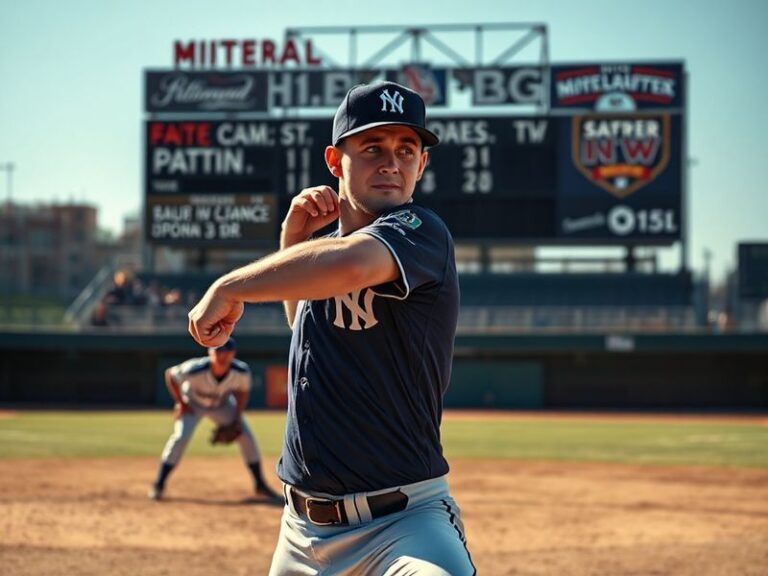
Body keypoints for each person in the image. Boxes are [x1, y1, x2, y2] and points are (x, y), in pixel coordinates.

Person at [188, 81, 475, 575]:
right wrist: (292, 237)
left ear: (421, 166)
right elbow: (303, 324)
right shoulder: (318, 256)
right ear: (335, 161)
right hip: (301, 534)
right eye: (371, 148)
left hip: (403, 525)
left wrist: (229, 286)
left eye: (407, 149)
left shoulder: (422, 231)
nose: (392, 162)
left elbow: (354, 265)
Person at [148, 337, 281, 503]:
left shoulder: (241, 371)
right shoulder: (195, 368)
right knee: (180, 437)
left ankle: (260, 484)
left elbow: (242, 393)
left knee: (246, 436)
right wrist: (181, 403)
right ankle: (159, 484)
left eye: (226, 352)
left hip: (221, 405)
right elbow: (170, 375)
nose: (222, 356)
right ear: (210, 352)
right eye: (218, 351)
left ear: (233, 354)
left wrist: (237, 416)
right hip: (193, 404)